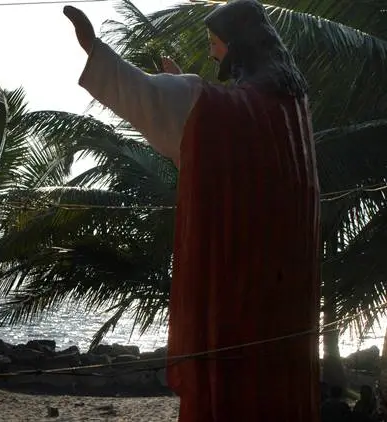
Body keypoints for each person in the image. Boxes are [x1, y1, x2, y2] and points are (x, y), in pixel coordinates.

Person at [64, 1, 320, 421]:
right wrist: (187, 95)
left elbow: (188, 109)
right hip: (284, 286)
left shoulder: (250, 107)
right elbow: (215, 127)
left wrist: (97, 52)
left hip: (245, 280)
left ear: (237, 45)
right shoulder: (290, 104)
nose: (213, 53)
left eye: (215, 44)